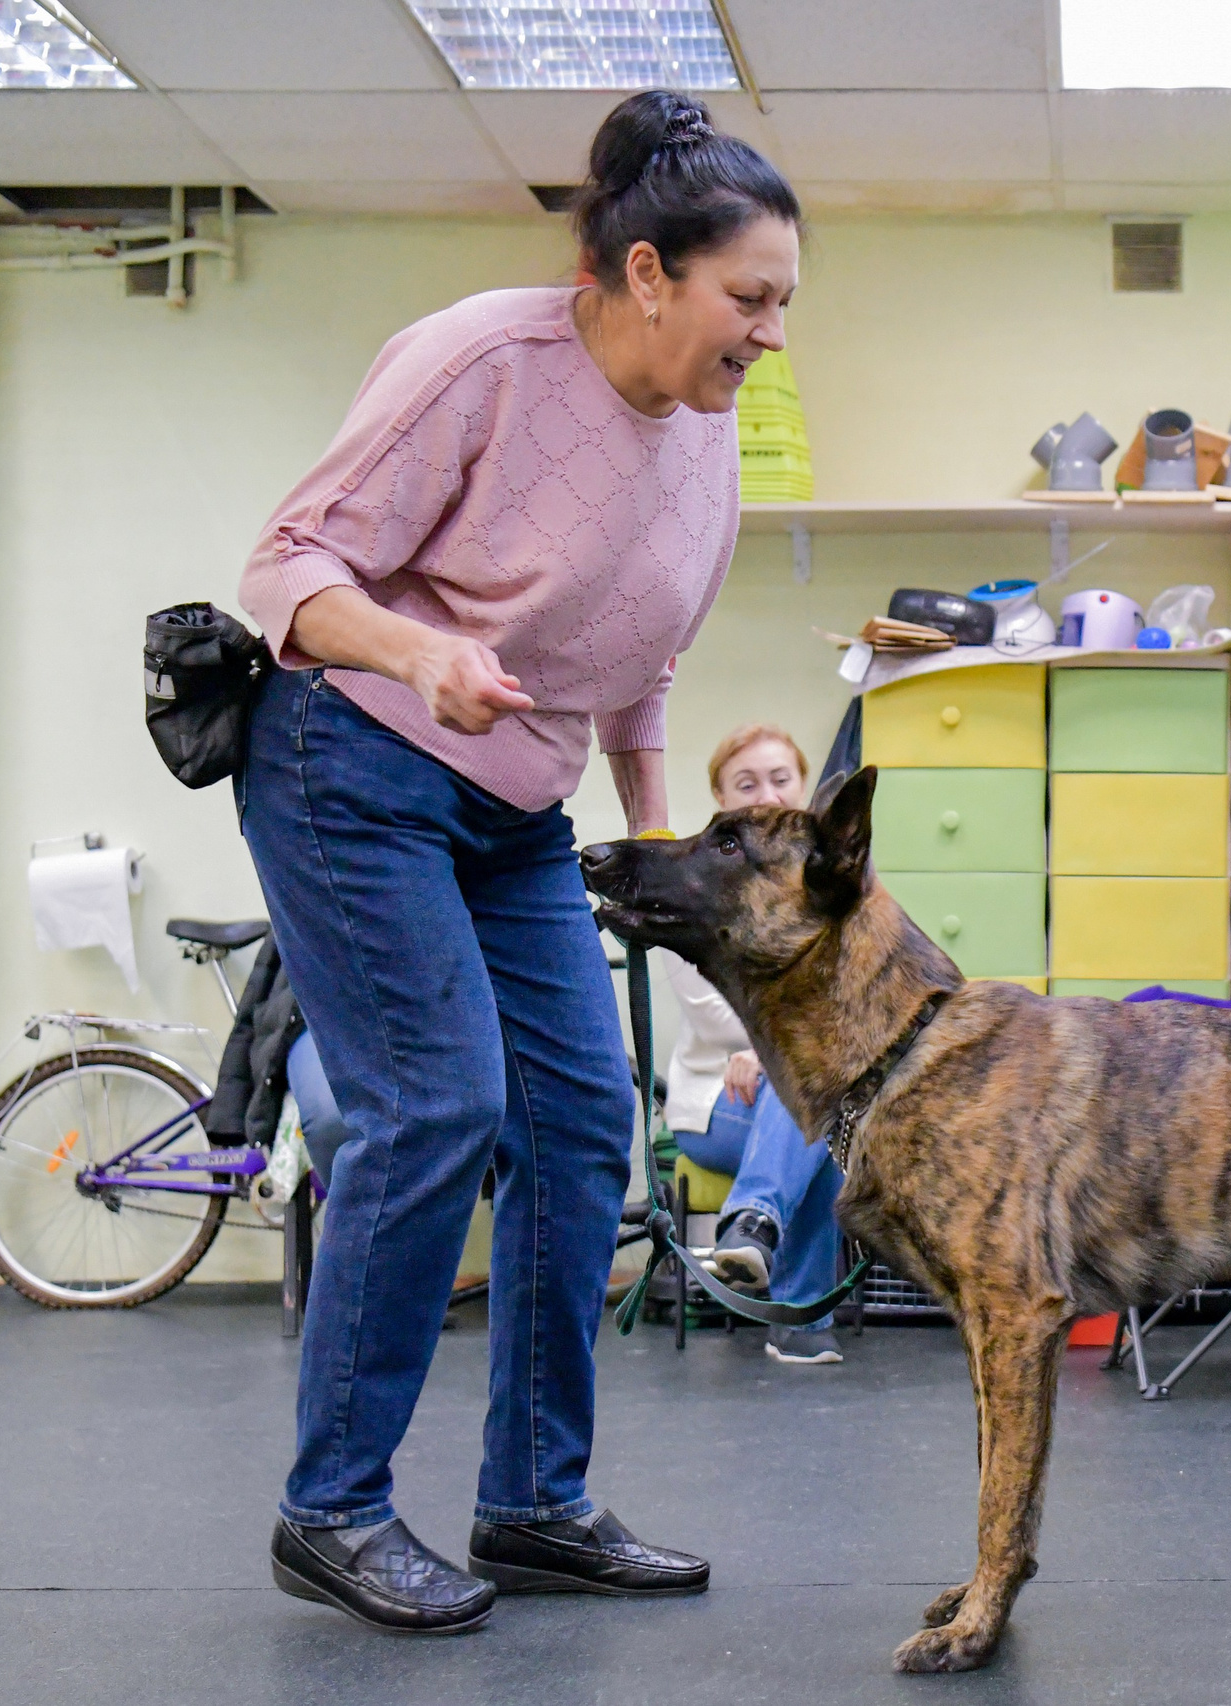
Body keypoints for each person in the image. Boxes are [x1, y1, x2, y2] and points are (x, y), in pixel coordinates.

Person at [234, 90, 800, 1635]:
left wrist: (663, 847)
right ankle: (332, 1506)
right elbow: (287, 569)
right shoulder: (484, 357)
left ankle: (536, 1500)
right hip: (351, 762)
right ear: (645, 273)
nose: (769, 334)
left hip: (516, 808)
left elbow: (642, 663)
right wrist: (421, 654)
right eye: (749, 298)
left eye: (783, 305)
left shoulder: (707, 434)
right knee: (438, 1103)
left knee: (582, 1118)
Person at [656, 723, 848, 1366]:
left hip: (798, 1088)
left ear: (803, 788)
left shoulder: (830, 888)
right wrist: (777, 1045)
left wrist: (772, 1051)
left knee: (813, 1108)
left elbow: (851, 1005)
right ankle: (797, 1312)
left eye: (779, 779)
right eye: (746, 783)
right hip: (715, 1103)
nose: (766, 794)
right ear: (720, 798)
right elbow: (712, 1015)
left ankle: (753, 1235)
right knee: (808, 1100)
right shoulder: (690, 891)